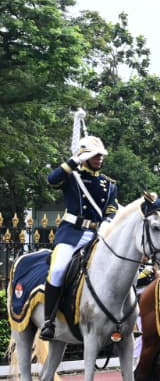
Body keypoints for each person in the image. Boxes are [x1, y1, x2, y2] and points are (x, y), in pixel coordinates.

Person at [39, 132, 118, 340]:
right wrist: (74, 161)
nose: (99, 158)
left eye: (101, 155)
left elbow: (111, 208)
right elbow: (51, 180)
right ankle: (49, 321)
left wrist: (108, 222)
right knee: (58, 269)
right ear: (84, 157)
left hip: (97, 235)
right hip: (71, 233)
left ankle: (118, 319)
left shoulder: (109, 183)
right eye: (94, 155)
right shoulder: (71, 177)